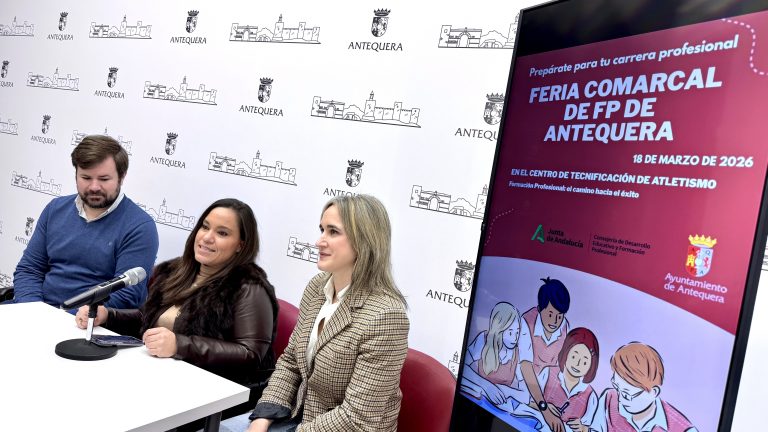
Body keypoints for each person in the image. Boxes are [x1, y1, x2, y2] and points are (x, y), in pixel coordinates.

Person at [76, 198, 278, 423]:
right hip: (163, 381)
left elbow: (250, 354)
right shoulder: (176, 271)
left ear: (241, 245)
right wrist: (108, 315)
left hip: (213, 399)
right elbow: (148, 318)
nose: (207, 237)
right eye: (205, 227)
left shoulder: (249, 288)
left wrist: (179, 345)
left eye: (222, 233)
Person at [223, 194, 410, 432]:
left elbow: (357, 419)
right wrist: (261, 419)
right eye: (322, 229)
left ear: (365, 240)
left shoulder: (386, 315)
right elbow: (290, 362)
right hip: (296, 415)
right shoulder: (317, 287)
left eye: (333, 232)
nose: (319, 241)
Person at [11, 134, 158, 309]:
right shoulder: (55, 209)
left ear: (122, 176)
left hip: (87, 324)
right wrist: (32, 309)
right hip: (37, 312)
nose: (94, 187)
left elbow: (127, 295)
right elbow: (29, 269)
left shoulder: (139, 227)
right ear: (76, 174)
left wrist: (67, 319)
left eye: (104, 179)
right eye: (86, 178)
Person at [589, 342, 697, 432]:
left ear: (654, 392)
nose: (620, 399)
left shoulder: (682, 429)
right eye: (616, 387)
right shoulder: (609, 400)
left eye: (626, 394)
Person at [519, 277, 571, 432]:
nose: (555, 321)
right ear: (540, 308)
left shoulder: (565, 327)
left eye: (560, 316)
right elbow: (525, 367)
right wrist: (545, 409)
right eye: (550, 314)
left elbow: (556, 369)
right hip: (522, 382)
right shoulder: (526, 322)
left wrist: (548, 403)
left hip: (543, 389)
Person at [537, 328, 599, 432]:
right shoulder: (548, 373)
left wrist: (583, 428)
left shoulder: (591, 397)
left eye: (584, 362)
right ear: (566, 352)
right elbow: (528, 401)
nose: (578, 364)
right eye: (574, 356)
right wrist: (544, 407)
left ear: (591, 366)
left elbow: (587, 427)